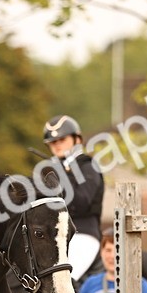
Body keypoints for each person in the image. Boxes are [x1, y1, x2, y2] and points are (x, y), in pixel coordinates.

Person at [42, 114, 105, 283]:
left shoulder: (88, 166)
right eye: (53, 143)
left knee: (63, 282)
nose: (57, 145)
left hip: (82, 233)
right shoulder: (51, 170)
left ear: (77, 139)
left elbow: (81, 201)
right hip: (55, 234)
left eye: (61, 140)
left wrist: (61, 174)